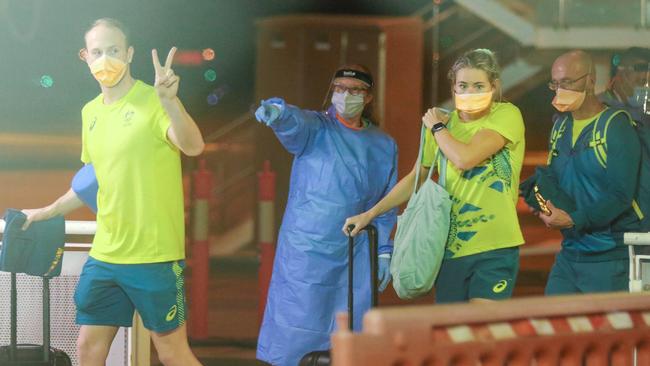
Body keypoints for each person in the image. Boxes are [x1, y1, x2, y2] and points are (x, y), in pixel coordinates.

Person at [21, 18, 205, 366]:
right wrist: (46, 211)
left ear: (130, 53)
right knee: (88, 348)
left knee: (171, 352)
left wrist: (170, 103)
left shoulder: (154, 101)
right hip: (105, 256)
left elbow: (194, 146)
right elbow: (94, 182)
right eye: (98, 52)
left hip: (155, 257)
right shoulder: (89, 113)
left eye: (114, 50)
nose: (106, 59)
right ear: (85, 57)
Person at [345, 48, 526, 303]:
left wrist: (438, 127)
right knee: (454, 334)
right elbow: (416, 177)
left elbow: (464, 158)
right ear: (453, 87)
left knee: (483, 331)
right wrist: (369, 214)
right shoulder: (441, 126)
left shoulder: (506, 115)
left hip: (495, 247)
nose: (469, 93)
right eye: (462, 85)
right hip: (448, 248)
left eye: (478, 86)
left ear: (494, 86)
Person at [255, 65, 398, 366]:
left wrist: (384, 249)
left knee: (351, 339)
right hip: (307, 252)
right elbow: (295, 125)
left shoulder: (384, 145)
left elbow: (386, 204)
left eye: (355, 90)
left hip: (357, 254)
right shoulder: (316, 129)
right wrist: (280, 115)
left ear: (369, 97)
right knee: (297, 333)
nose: (346, 95)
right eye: (340, 88)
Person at [538, 50, 641, 295]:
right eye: (555, 83)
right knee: (552, 325)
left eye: (567, 82)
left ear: (590, 80)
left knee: (608, 332)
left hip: (609, 258)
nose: (559, 89)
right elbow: (554, 177)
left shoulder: (616, 126)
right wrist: (545, 204)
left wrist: (574, 219)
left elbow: (621, 195)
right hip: (569, 253)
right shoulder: (560, 126)